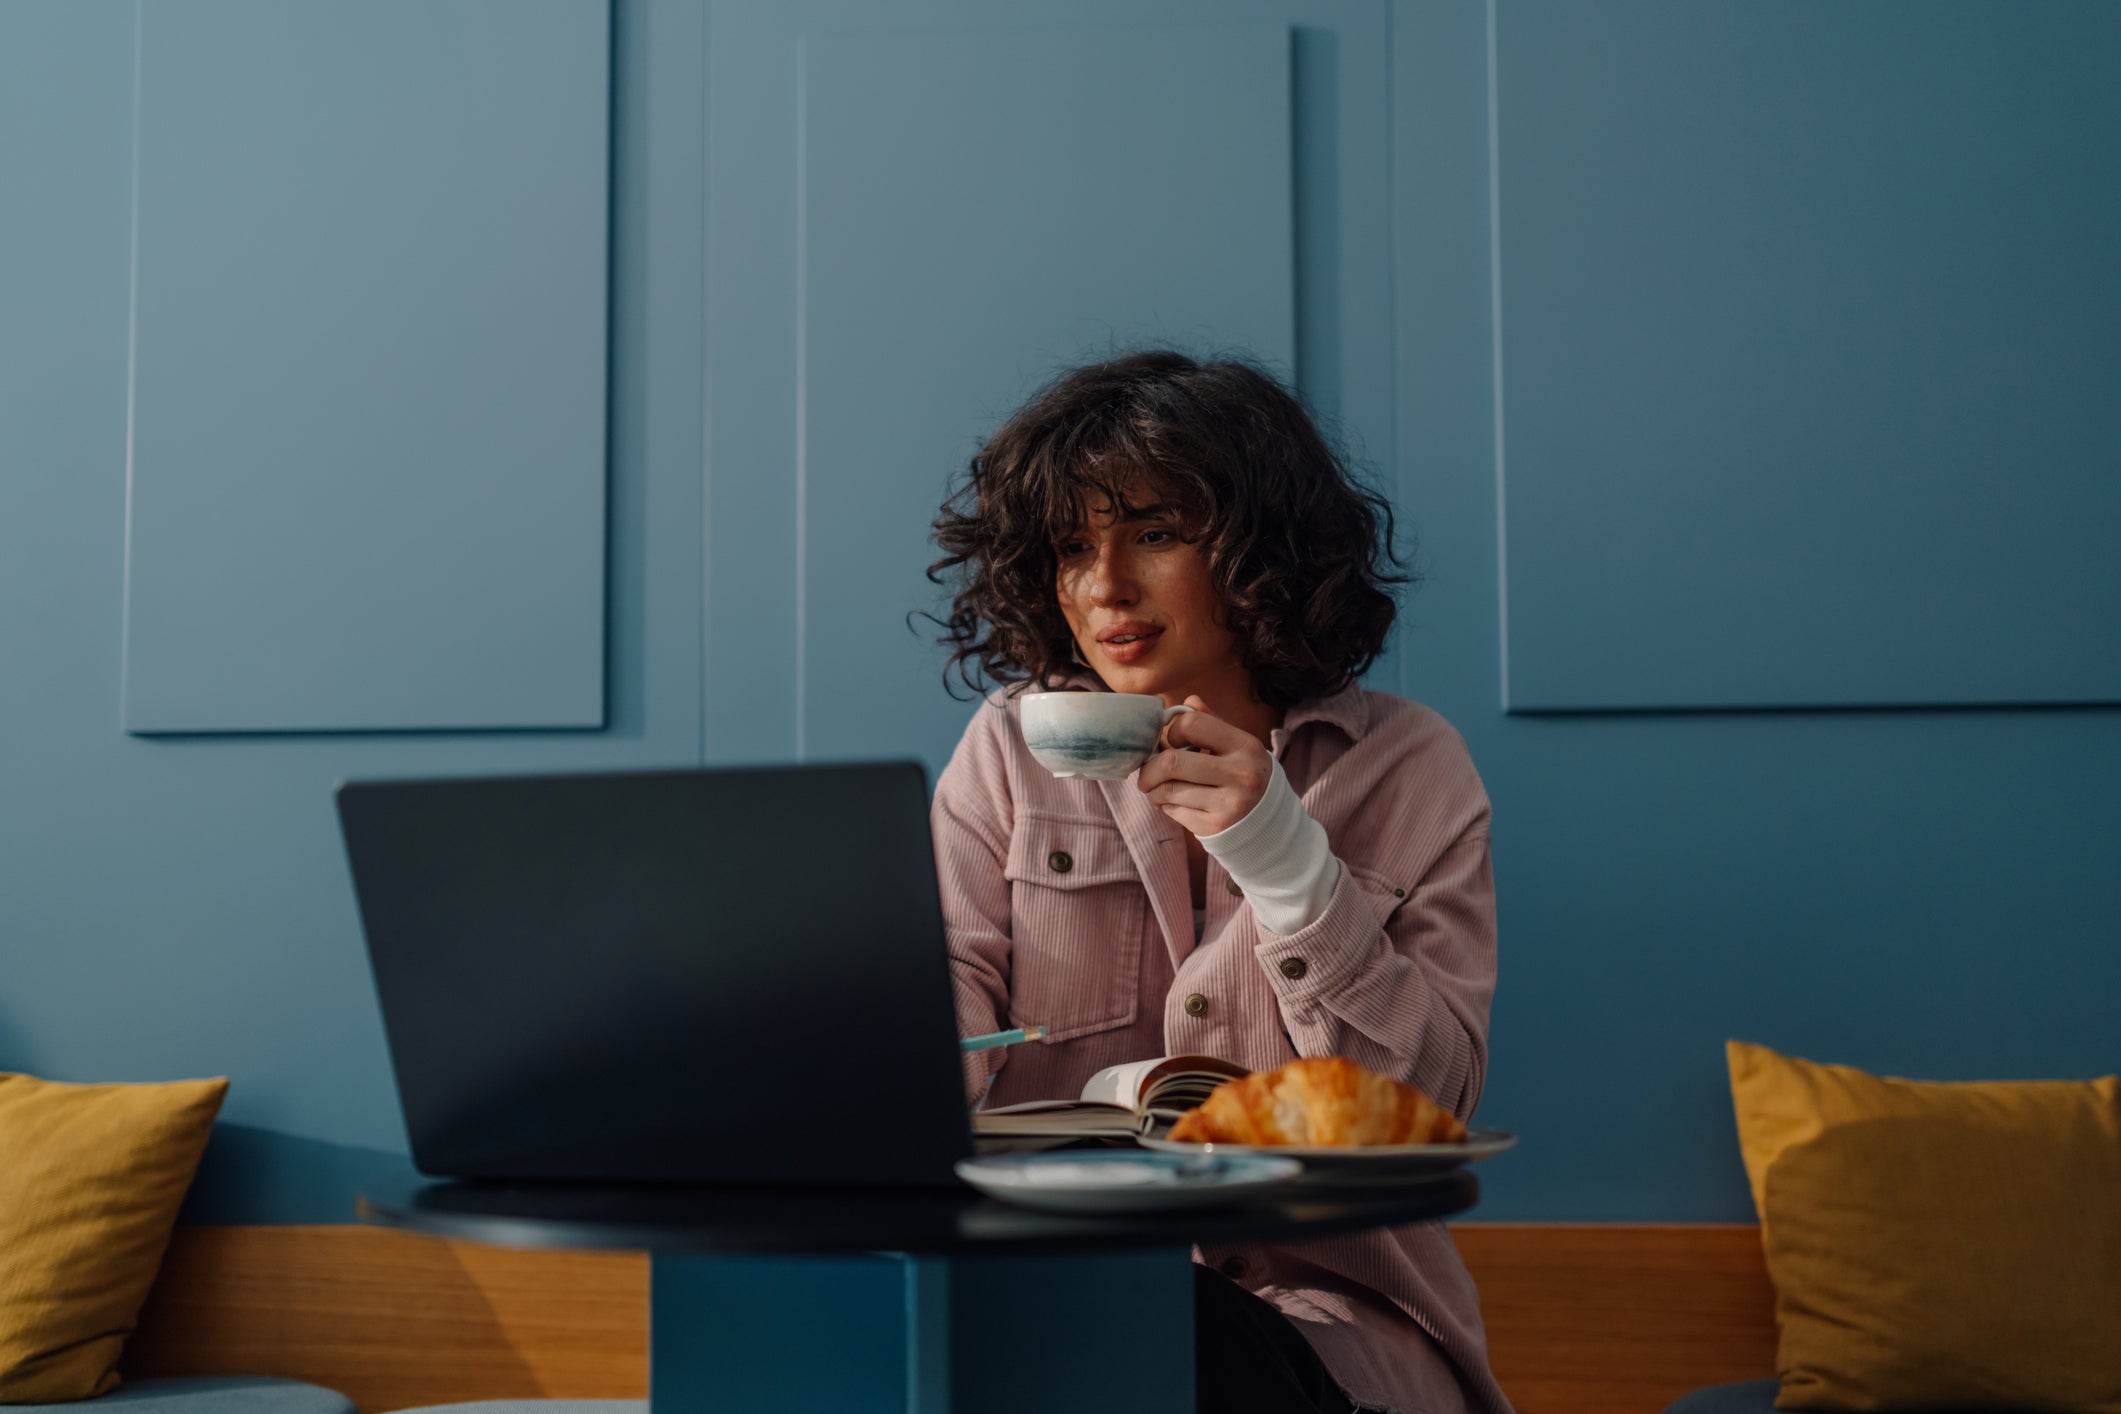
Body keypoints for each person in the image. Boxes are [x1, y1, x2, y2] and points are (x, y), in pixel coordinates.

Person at [923, 350, 1512, 1414]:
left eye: (1153, 532)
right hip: (1059, 1311)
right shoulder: (1007, 752)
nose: (1103, 587)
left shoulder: (1410, 768)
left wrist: (1285, 859)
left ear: (1260, 554)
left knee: (1161, 1332)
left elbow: (1424, 1106)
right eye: (1070, 546)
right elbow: (945, 998)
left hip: (1335, 1340)